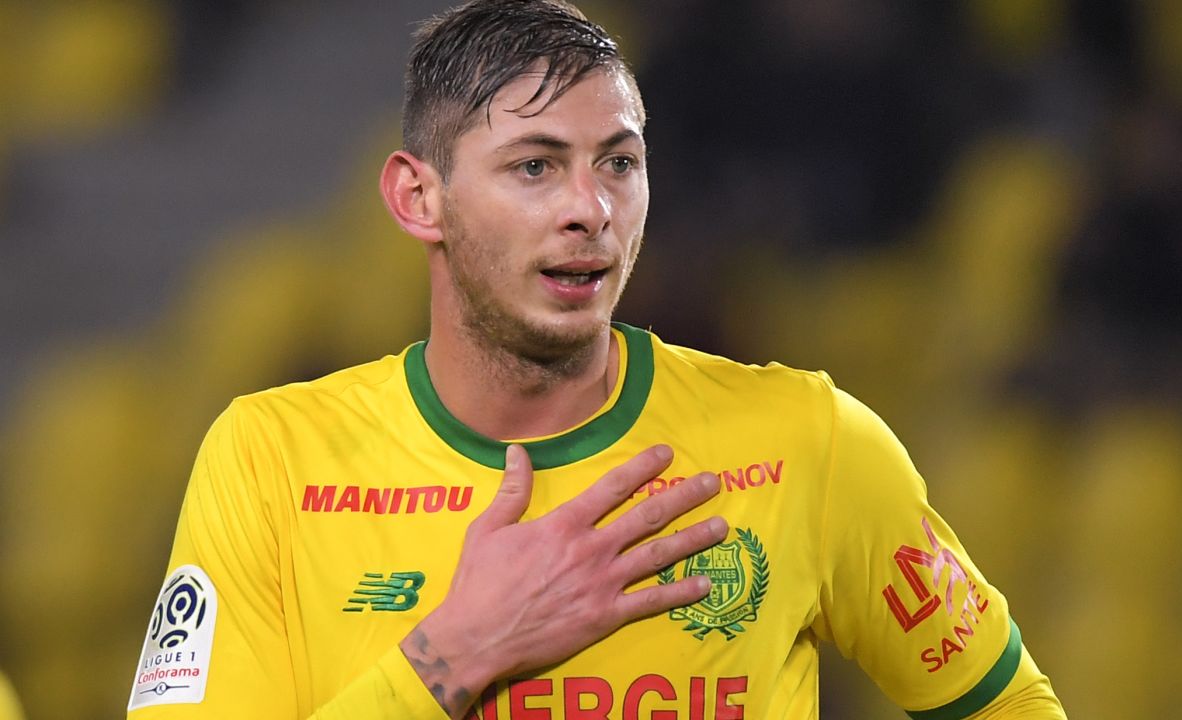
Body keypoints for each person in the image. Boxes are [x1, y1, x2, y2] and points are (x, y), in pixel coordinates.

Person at [126, 1, 1067, 718]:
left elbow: (1013, 705)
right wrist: (453, 656)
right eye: (534, 166)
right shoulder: (270, 461)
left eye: (618, 163)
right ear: (420, 199)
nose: (591, 209)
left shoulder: (808, 442)